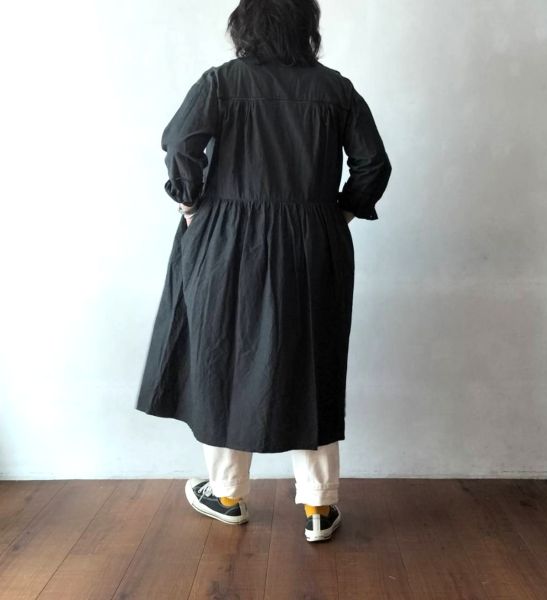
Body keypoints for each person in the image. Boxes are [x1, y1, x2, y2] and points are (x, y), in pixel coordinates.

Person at [135, 0, 392, 543]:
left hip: (227, 238)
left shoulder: (221, 83)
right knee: (312, 360)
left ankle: (228, 494)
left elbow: (180, 143)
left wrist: (191, 203)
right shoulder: (336, 89)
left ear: (245, 26)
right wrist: (338, 213)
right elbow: (373, 164)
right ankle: (319, 506)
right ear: (306, 27)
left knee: (223, 353)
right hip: (314, 240)